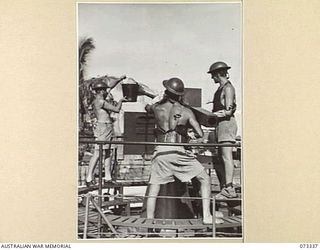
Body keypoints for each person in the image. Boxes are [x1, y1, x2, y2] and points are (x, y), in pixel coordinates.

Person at [142, 77, 223, 224]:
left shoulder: (157, 108)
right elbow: (200, 134)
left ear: (166, 91)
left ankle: (149, 221)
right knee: (204, 179)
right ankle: (206, 216)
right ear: (180, 94)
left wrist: (158, 97)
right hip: (178, 152)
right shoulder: (186, 111)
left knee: (154, 187)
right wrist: (188, 134)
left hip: (161, 151)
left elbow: (147, 107)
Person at [85, 78, 127, 186]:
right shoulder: (100, 101)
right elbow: (116, 109)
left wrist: (120, 79)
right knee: (98, 153)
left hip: (108, 127)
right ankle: (89, 177)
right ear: (102, 91)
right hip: (102, 128)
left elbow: (111, 86)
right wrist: (121, 100)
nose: (107, 92)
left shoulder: (100, 98)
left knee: (108, 152)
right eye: (105, 90)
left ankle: (107, 177)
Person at [207, 62, 238, 199]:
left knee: (226, 156)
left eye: (213, 75)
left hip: (226, 125)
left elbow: (228, 111)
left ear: (218, 74)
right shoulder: (220, 88)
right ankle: (226, 187)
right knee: (221, 157)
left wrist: (212, 115)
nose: (212, 78)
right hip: (220, 126)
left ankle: (230, 188)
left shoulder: (228, 88)